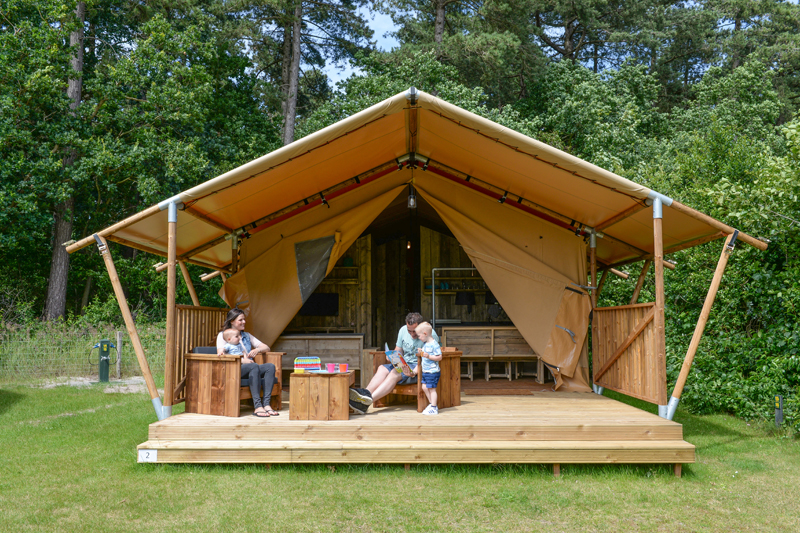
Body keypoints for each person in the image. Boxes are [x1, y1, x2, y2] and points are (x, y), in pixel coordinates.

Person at [349, 312, 439, 414]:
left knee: (394, 373)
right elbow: (398, 350)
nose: (412, 334)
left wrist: (414, 372)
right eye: (409, 331)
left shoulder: (430, 335)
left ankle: (366, 402)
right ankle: (366, 394)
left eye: (414, 331)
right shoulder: (403, 330)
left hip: (417, 366)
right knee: (382, 368)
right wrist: (392, 356)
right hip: (404, 362)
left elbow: (429, 360)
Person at [216, 308, 279, 418]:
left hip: (250, 368)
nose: (244, 322)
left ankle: (266, 404)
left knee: (270, 366)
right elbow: (221, 355)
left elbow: (266, 347)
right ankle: (258, 406)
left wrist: (257, 350)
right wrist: (242, 360)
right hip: (234, 369)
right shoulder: (223, 335)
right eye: (240, 320)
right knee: (253, 366)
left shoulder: (247, 335)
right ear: (232, 321)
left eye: (244, 319)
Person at [415, 322, 442, 415]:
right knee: (424, 387)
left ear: (425, 334)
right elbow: (425, 354)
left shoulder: (435, 344)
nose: (419, 338)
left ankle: (434, 407)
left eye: (419, 336)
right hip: (426, 371)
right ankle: (432, 404)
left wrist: (429, 356)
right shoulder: (426, 344)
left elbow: (439, 357)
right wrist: (422, 351)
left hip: (432, 372)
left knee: (432, 389)